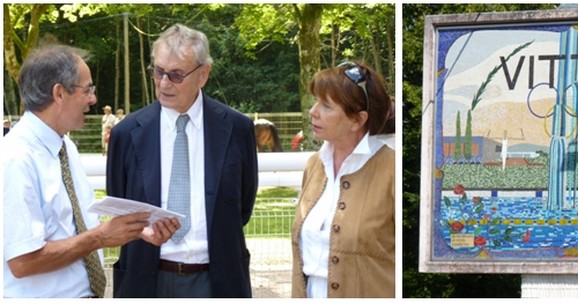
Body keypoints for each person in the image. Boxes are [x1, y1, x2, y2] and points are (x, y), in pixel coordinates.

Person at [3, 44, 179, 298]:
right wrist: (99, 238)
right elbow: (23, 262)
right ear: (59, 93)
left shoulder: (65, 146)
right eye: (87, 90)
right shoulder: (15, 158)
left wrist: (135, 229)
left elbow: (73, 226)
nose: (93, 99)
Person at [106, 23, 258, 298]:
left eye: (176, 75)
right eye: (158, 71)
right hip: (146, 281)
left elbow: (242, 207)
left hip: (219, 281)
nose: (164, 83)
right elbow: (120, 204)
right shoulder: (126, 134)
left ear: (203, 74)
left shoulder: (237, 129)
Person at [291, 60, 395, 298]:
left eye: (326, 106)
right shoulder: (314, 165)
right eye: (316, 101)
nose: (313, 111)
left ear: (358, 120)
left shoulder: (391, 170)